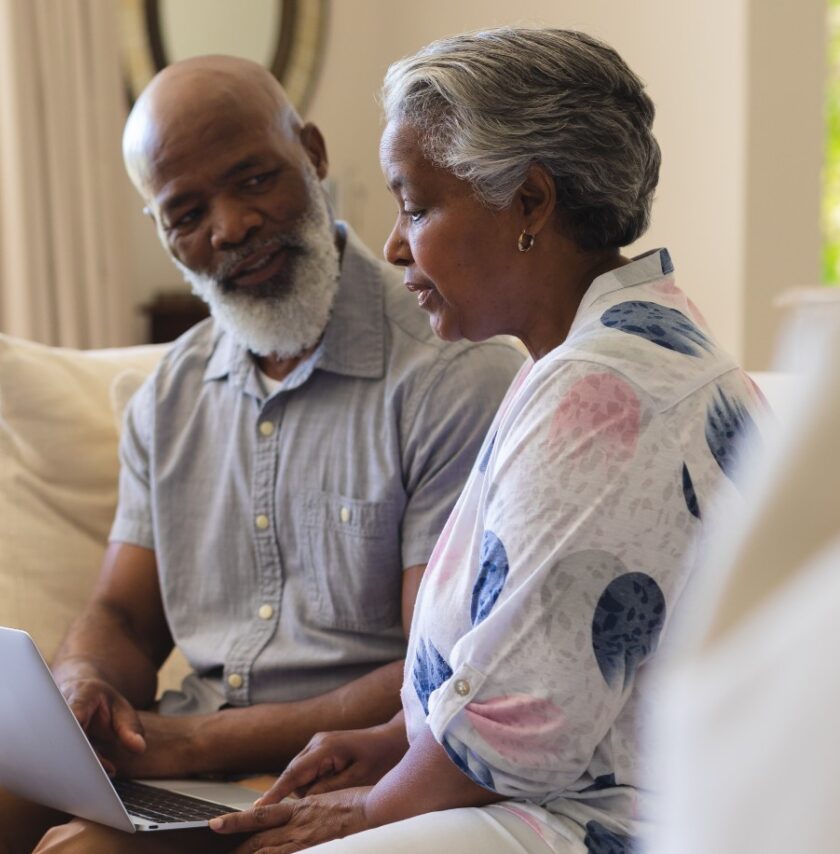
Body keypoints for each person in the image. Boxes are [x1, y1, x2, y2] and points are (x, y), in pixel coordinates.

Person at [0, 55, 523, 854]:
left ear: (313, 153)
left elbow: (433, 667)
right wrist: (83, 683)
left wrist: (198, 745)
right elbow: (122, 616)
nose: (230, 227)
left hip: (333, 775)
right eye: (186, 211)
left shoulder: (452, 373)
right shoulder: (170, 394)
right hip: (176, 767)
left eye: (254, 180)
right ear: (162, 230)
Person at [207, 27, 766, 853]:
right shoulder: (617, 349)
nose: (395, 244)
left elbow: (519, 727)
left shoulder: (603, 392)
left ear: (530, 204)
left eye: (417, 205)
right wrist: (395, 743)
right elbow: (532, 658)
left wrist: (368, 810)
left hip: (596, 825)